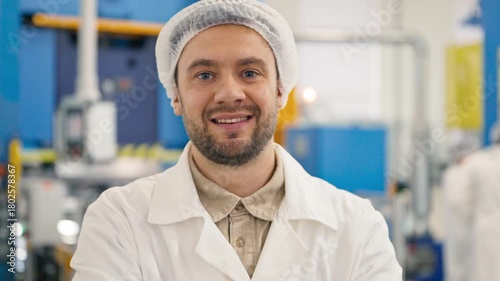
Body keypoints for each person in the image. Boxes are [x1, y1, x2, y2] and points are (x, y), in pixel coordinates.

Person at [70, 0, 402, 280]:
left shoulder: (358, 228)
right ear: (176, 96)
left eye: (250, 73)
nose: (229, 93)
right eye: (204, 75)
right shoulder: (119, 221)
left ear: (280, 89)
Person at [450, 122, 500, 281]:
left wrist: (473, 218)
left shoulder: (477, 162)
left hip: (484, 228)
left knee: (486, 274)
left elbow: (457, 200)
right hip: (485, 226)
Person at [441, 130, 480, 281]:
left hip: (470, 229)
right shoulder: (453, 173)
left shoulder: (472, 169)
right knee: (458, 266)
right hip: (458, 229)